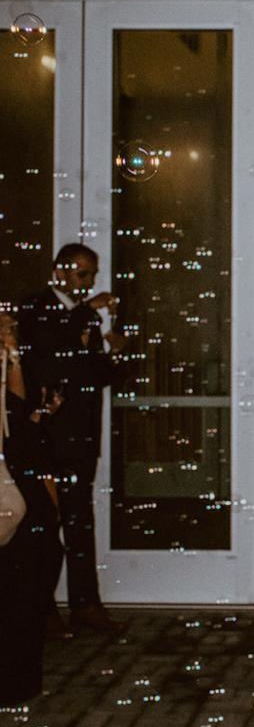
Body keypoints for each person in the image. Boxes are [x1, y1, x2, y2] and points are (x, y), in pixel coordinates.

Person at [18, 243, 127, 636]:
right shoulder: (36, 307)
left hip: (81, 435)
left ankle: (86, 605)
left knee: (81, 522)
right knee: (45, 525)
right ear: (59, 271)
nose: (89, 282)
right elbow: (44, 355)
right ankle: (42, 609)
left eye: (93, 275)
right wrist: (86, 310)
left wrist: (115, 354)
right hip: (46, 435)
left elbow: (93, 375)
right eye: (83, 274)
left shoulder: (84, 319)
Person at [0, 309, 61, 704]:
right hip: (10, 478)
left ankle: (19, 680)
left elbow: (21, 416)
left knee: (37, 564)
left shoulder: (19, 359)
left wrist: (14, 357)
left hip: (21, 470)